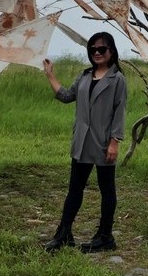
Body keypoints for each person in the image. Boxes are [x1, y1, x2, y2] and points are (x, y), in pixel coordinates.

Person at [41, 32, 127, 253]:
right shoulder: (85, 76)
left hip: (103, 142)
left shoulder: (117, 80)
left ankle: (106, 237)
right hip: (81, 142)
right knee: (74, 189)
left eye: (102, 49)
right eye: (92, 49)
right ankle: (63, 234)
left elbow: (120, 112)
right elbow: (67, 96)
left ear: (111, 52)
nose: (97, 53)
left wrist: (114, 141)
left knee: (107, 190)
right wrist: (50, 75)